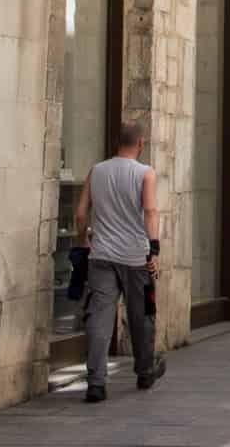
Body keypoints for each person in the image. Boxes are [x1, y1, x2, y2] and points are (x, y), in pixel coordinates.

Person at [74, 122, 166, 402]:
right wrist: (154, 250)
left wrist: (83, 241)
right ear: (140, 144)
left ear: (117, 143)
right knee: (142, 315)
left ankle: (96, 383)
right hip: (136, 257)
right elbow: (150, 211)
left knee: (100, 317)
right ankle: (144, 370)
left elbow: (80, 214)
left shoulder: (97, 171)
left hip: (101, 256)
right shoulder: (145, 173)